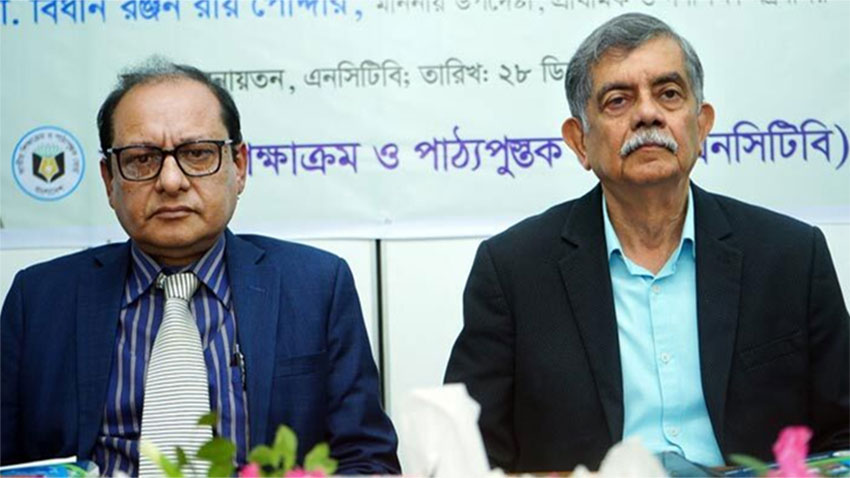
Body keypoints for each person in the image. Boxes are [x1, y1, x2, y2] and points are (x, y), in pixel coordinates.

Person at [444, 12, 849, 473]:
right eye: (618, 100)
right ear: (579, 142)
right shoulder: (514, 270)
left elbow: (843, 435)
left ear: (702, 125)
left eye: (669, 93)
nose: (648, 114)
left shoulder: (790, 257)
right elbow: (470, 454)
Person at [1, 59, 400, 476]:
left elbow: (368, 460)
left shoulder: (315, 287)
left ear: (239, 166)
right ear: (109, 179)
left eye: (197, 154)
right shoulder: (40, 300)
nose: (171, 181)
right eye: (141, 159)